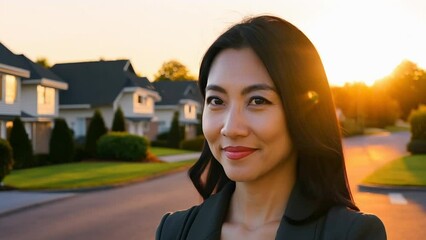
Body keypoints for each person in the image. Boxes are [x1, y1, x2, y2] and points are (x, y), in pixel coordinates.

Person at [156, 15, 386, 240]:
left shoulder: (354, 234)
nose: (231, 128)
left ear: (305, 114)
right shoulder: (174, 231)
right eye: (216, 101)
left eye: (257, 100)